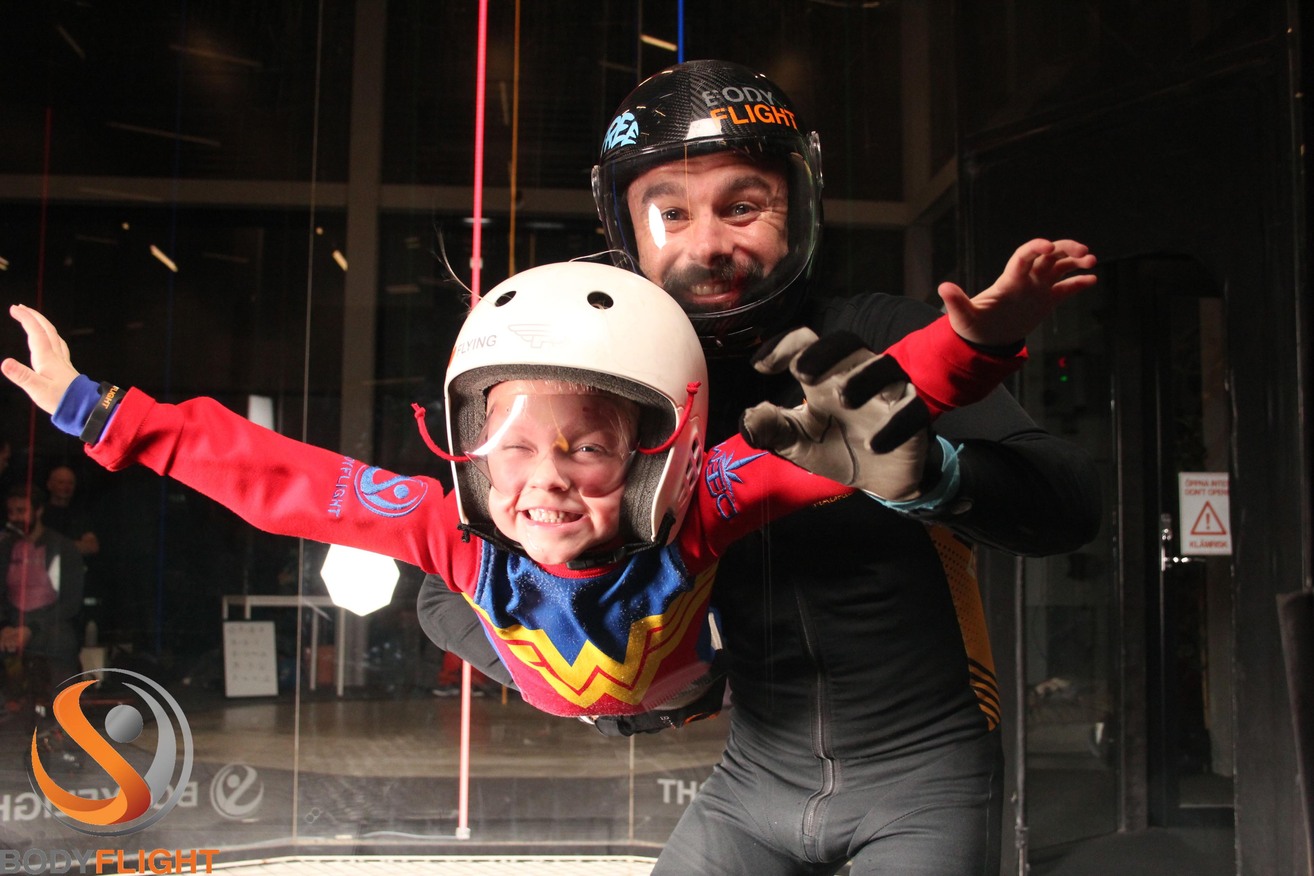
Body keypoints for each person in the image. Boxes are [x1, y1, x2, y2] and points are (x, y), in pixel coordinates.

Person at [419, 60, 1102, 874]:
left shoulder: (880, 338)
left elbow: (1070, 504)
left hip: (926, 777)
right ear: (628, 227)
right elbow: (444, 588)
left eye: (743, 206)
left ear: (800, 206)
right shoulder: (615, 385)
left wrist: (935, 476)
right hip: (752, 783)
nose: (708, 241)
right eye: (670, 211)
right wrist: (609, 693)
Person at [2, 258, 1033, 721]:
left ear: (651, 458)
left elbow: (868, 411)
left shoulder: (710, 496)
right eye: (509, 448)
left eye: (584, 451)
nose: (542, 483)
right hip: (521, 656)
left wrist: (973, 345)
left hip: (697, 688)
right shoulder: (459, 533)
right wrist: (100, 412)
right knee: (441, 594)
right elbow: (285, 481)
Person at [1, 484, 85, 725]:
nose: (15, 518)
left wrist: (31, 628)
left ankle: (66, 717)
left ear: (38, 511)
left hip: (49, 623)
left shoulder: (62, 547)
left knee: (63, 644)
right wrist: (5, 625)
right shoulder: (5, 547)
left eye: (21, 511)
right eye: (11, 512)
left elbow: (70, 603)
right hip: (11, 624)